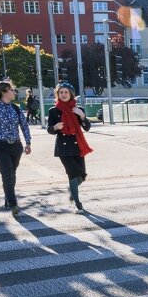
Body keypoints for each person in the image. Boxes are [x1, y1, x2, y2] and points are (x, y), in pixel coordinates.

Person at [0, 81, 32, 216]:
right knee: (7, 173)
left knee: (12, 174)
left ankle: (8, 198)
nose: (14, 92)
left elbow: (24, 126)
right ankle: (13, 204)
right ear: (3, 92)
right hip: (0, 146)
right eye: (12, 90)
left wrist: (28, 142)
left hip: (16, 146)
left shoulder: (16, 108)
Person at [47, 82, 92, 213]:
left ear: (71, 94)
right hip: (64, 147)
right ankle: (78, 204)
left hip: (78, 146)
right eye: (61, 92)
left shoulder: (79, 110)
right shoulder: (54, 111)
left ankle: (72, 189)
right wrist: (55, 127)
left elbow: (87, 128)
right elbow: (50, 129)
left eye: (66, 92)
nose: (63, 94)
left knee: (82, 176)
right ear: (58, 94)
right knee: (72, 174)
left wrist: (82, 116)